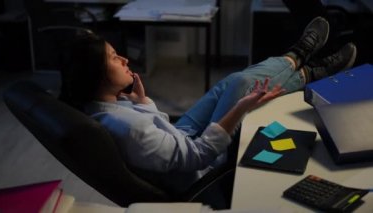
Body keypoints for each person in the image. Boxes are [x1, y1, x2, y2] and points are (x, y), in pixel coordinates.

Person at [59, 17, 356, 193]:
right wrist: (241, 109)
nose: (124, 59)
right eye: (113, 57)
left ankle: (300, 61)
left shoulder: (104, 106)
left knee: (236, 82)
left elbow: (153, 130)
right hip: (197, 163)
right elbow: (197, 157)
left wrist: (143, 103)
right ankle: (305, 66)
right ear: (95, 75)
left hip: (178, 134)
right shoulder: (126, 126)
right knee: (242, 89)